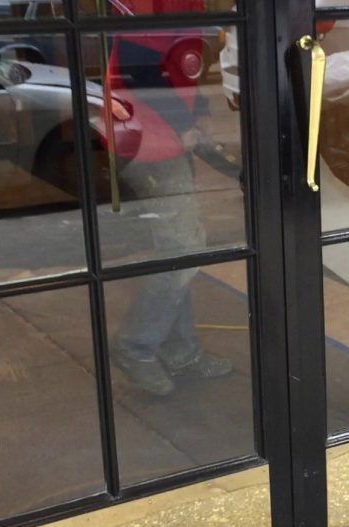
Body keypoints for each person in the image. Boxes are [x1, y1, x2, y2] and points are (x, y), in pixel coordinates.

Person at [105, 24, 232, 396]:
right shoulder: (151, 7)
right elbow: (139, 68)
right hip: (149, 142)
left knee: (181, 249)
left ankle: (181, 351)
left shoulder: (189, 10)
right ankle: (135, 346)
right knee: (183, 249)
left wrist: (202, 109)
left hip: (166, 140)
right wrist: (183, 122)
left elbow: (182, 66)